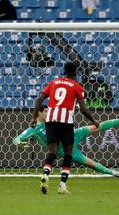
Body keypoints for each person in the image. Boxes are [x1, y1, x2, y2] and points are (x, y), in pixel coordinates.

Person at [30, 62, 99, 194]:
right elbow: (83, 109)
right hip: (66, 122)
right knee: (68, 153)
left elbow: (40, 98)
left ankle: (45, 174)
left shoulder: (54, 83)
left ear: (64, 71)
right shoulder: (77, 86)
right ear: (76, 72)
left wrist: (34, 117)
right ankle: (62, 186)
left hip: (51, 120)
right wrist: (94, 121)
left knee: (52, 152)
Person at [15, 106, 119, 177]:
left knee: (97, 126)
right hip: (63, 150)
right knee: (90, 163)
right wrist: (21, 144)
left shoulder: (52, 119)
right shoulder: (33, 128)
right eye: (46, 111)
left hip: (72, 135)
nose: (49, 113)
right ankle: (116, 174)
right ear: (39, 113)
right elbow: (16, 140)